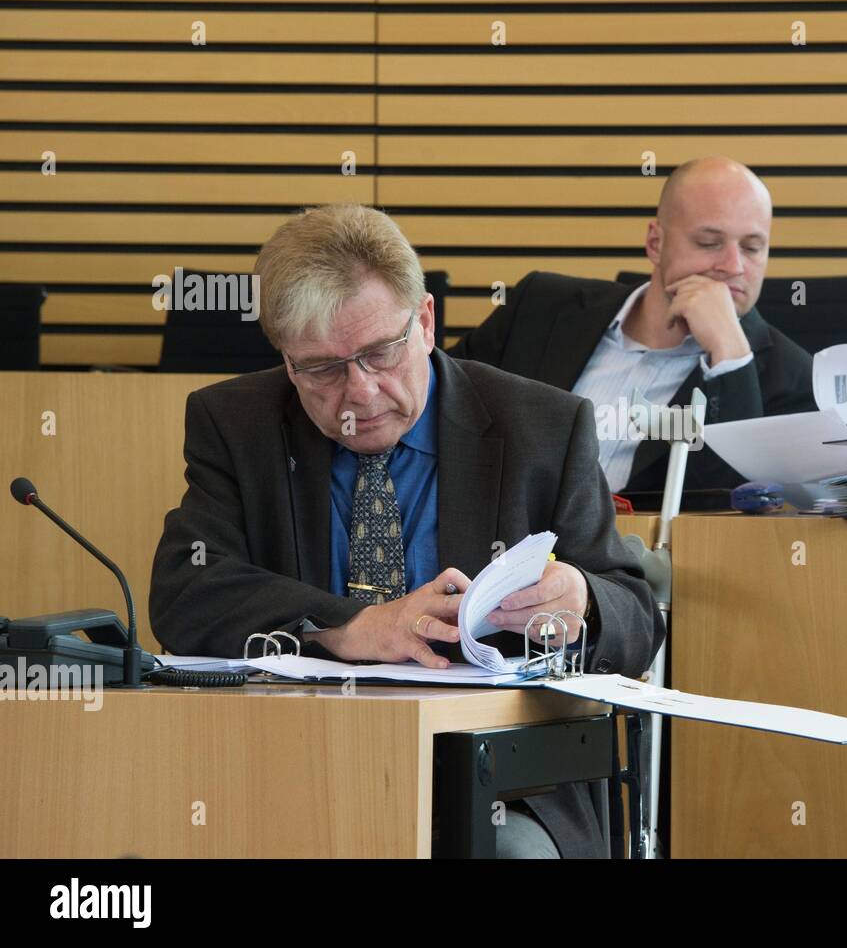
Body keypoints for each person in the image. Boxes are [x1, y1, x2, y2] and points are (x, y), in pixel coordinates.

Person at [150, 203, 660, 858]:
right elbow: (185, 589)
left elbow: (638, 618)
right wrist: (350, 626)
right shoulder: (235, 421)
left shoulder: (542, 426)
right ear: (286, 359)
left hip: (499, 782)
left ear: (424, 321)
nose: (358, 392)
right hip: (290, 763)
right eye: (323, 369)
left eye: (378, 353)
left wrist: (583, 598)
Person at [449, 155, 817, 494]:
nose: (734, 266)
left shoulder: (791, 377)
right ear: (655, 243)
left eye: (752, 248)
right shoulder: (542, 305)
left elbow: (725, 513)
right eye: (709, 243)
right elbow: (439, 397)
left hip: (651, 563)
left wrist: (730, 358)